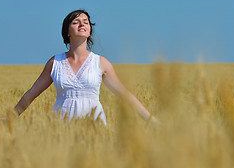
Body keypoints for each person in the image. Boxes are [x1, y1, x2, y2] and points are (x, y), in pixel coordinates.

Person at [14, 9, 158, 126]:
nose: (82, 24)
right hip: (60, 124)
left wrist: (152, 120)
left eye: (86, 22)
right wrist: (10, 117)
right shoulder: (55, 62)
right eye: (76, 22)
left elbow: (125, 95)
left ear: (89, 30)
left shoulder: (101, 63)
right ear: (67, 32)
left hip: (93, 124)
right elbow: (31, 94)